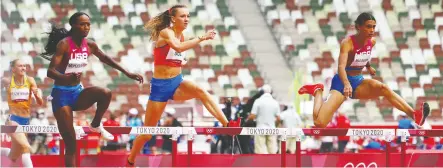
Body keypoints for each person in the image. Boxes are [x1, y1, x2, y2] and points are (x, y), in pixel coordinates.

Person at [127, 4, 229, 165]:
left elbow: (176, 54)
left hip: (177, 82)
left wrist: (181, 60)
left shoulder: (181, 35)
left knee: (201, 91)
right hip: (160, 88)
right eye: (183, 16)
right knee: (147, 133)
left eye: (188, 16)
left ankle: (227, 123)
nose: (186, 19)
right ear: (173, 18)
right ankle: (130, 159)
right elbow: (178, 47)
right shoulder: (166, 32)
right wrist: (202, 38)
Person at [40, 12, 143, 167]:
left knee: (105, 93)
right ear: (73, 25)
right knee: (71, 144)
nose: (86, 27)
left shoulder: (90, 45)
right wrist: (66, 78)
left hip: (77, 92)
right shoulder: (64, 44)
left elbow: (106, 58)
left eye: (88, 24)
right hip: (61, 96)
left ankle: (95, 125)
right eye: (82, 24)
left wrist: (127, 72)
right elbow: (50, 71)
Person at [298, 12, 430, 128]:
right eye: (368, 26)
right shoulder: (347, 43)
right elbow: (340, 67)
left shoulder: (371, 42)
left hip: (358, 81)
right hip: (341, 83)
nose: (372, 30)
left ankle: (414, 115)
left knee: (384, 88)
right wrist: (346, 84)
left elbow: (363, 54)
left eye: (373, 27)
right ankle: (317, 92)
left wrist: (368, 66)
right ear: (358, 27)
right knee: (319, 123)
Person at [0, 59, 44, 167]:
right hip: (12, 119)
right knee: (26, 149)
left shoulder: (30, 80)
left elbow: (40, 103)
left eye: (24, 66)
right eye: (20, 66)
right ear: (13, 69)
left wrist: (37, 95)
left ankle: (2, 151)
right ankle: (31, 147)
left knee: (14, 156)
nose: (23, 68)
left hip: (25, 121)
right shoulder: (7, 81)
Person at [247, 84, 281, 154]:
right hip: (272, 129)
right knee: (272, 150)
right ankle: (272, 164)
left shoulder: (258, 101)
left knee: (260, 150)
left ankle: (261, 164)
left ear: (261, 92)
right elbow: (278, 118)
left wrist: (248, 120)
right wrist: (274, 125)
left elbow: (253, 116)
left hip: (260, 128)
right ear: (271, 92)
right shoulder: (275, 102)